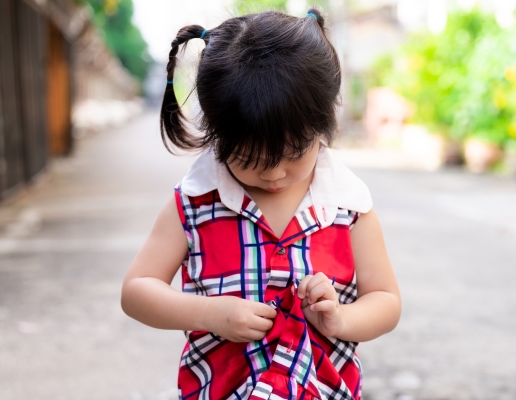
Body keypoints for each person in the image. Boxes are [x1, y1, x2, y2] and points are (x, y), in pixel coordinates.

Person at [121, 9, 400, 400]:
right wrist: (209, 313)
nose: (274, 176)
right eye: (250, 160)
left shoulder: (348, 205)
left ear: (323, 125)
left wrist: (341, 318)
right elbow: (137, 290)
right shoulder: (195, 202)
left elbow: (386, 301)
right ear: (217, 135)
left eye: (293, 155)